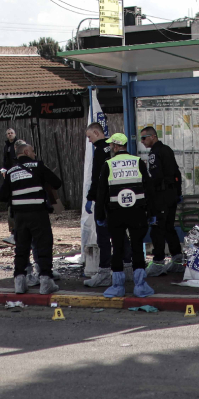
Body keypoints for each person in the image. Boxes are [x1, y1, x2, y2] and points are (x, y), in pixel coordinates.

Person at [93, 133, 157, 298]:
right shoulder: (137, 162)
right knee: (137, 247)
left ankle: (118, 286)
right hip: (137, 212)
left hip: (116, 213)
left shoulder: (108, 164)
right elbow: (149, 188)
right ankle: (140, 285)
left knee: (118, 247)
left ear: (115, 146)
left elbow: (101, 194)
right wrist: (152, 212)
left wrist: (100, 215)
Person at [0, 141, 62, 295]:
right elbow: (57, 183)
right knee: (43, 245)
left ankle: (20, 283)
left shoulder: (11, 171)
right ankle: (46, 281)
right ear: (26, 152)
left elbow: (2, 196)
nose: (34, 154)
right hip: (38, 213)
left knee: (21, 248)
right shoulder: (38, 166)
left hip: (20, 216)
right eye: (33, 151)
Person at [140, 126, 186, 276]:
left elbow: (155, 178)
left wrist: (149, 197)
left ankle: (158, 262)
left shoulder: (155, 153)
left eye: (144, 137)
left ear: (153, 136)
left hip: (161, 196)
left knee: (157, 228)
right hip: (171, 195)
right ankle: (177, 260)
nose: (142, 141)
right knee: (168, 227)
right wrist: (178, 192)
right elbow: (176, 173)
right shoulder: (167, 149)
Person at [83, 123, 115, 287]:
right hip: (118, 200)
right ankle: (126, 270)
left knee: (103, 236)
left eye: (90, 136)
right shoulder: (113, 147)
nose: (89, 141)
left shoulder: (100, 151)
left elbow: (97, 177)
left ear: (97, 132)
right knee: (120, 235)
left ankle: (104, 272)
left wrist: (91, 197)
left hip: (103, 200)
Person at [0, 129, 20, 245]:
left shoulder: (18, 145)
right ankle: (13, 233)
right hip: (9, 174)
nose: (10, 135)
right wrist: (4, 169)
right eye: (8, 133)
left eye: (11, 133)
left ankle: (16, 233)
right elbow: (5, 160)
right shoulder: (6, 146)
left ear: (15, 134)